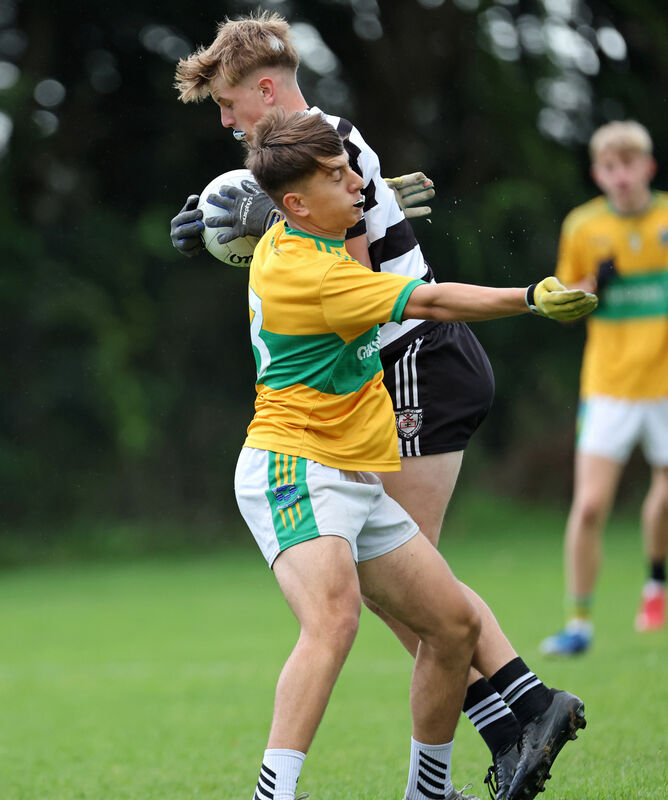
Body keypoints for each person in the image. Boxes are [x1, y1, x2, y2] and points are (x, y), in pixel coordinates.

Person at [170, 13, 591, 799]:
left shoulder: (326, 151)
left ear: (265, 88)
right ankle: (510, 719)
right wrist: (258, 224)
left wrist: (279, 222)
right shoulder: (324, 149)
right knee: (407, 596)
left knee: (399, 596)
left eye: (229, 104)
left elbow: (363, 294)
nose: (225, 122)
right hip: (404, 361)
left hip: (408, 364)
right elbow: (324, 264)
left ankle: (517, 715)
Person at [540, 120, 668, 657]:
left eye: (629, 165)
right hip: (609, 385)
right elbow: (564, 306)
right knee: (590, 506)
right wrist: (593, 286)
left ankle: (655, 585)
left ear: (648, 168)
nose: (620, 177)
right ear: (598, 173)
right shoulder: (583, 226)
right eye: (610, 168)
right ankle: (579, 624)